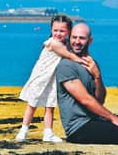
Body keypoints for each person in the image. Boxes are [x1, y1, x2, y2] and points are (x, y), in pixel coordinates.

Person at [15, 15, 86, 143]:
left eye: (62, 31)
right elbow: (70, 56)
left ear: (69, 31)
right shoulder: (53, 43)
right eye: (55, 30)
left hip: (51, 78)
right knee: (32, 104)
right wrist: (85, 63)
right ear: (51, 29)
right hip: (41, 77)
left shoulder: (62, 43)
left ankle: (48, 132)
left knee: (50, 105)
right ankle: (23, 131)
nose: (58, 33)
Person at [56, 23, 118, 144]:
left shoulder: (91, 64)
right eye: (74, 37)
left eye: (82, 38)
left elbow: (99, 100)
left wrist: (97, 76)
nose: (77, 42)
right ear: (70, 38)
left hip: (96, 121)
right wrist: (112, 117)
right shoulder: (66, 65)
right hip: (79, 129)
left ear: (90, 40)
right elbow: (85, 100)